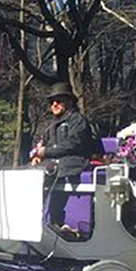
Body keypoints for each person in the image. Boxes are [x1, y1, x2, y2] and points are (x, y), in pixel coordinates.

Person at [30, 81, 102, 235]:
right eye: (52, 101)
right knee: (28, 173)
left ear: (69, 102)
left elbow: (73, 144)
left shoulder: (78, 121)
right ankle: (34, 221)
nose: (54, 104)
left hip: (73, 163)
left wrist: (46, 152)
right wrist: (38, 156)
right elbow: (45, 145)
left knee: (47, 174)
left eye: (59, 100)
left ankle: (54, 224)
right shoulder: (51, 126)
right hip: (52, 164)